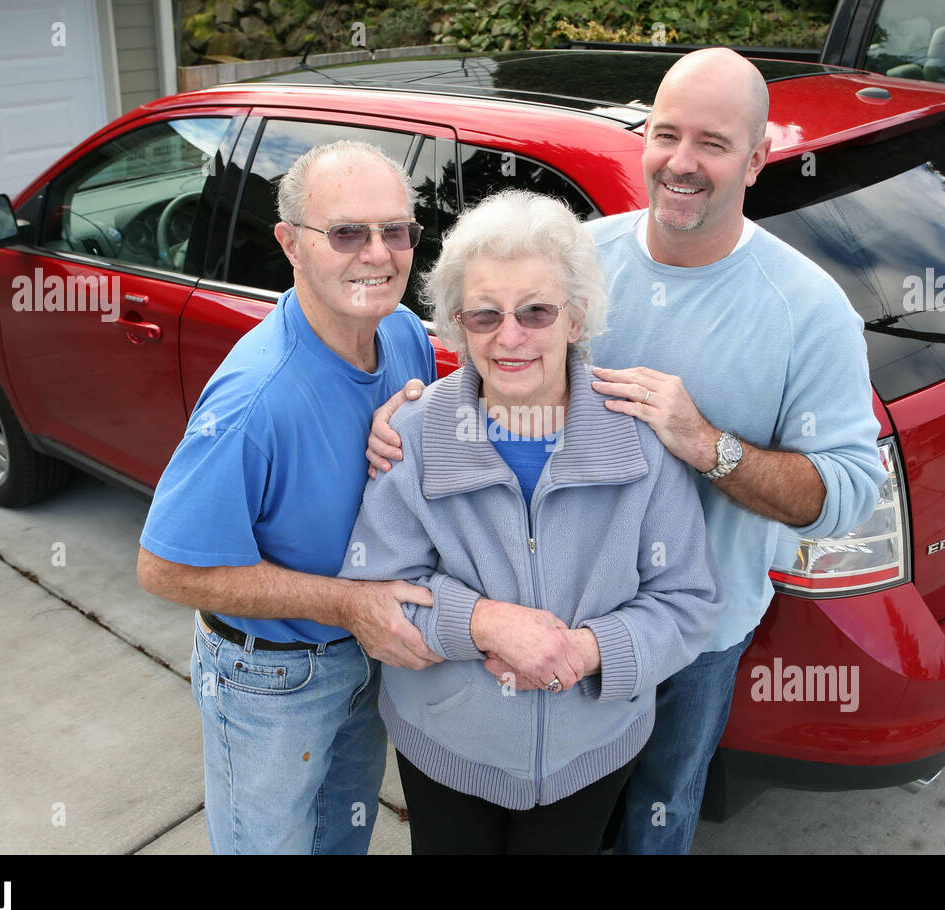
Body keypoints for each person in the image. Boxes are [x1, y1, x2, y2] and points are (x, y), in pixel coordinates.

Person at [367, 48, 886, 854]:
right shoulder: (578, 257)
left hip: (690, 640)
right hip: (509, 652)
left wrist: (706, 446)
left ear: (757, 159)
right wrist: (401, 413)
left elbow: (849, 495)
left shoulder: (809, 309)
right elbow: (489, 350)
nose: (681, 161)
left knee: (652, 823)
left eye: (712, 143)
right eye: (666, 133)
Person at [341, 189, 726, 854]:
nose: (510, 337)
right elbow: (376, 598)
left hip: (592, 753)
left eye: (536, 312)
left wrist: (586, 650)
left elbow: (688, 603)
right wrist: (482, 622)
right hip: (446, 751)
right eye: (484, 316)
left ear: (575, 319)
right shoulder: (415, 436)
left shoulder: (639, 441)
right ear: (459, 325)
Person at [135, 140, 440, 855]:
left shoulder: (398, 331)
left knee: (343, 839)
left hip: (365, 653)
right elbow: (164, 568)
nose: (378, 253)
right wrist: (349, 604)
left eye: (395, 230)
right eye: (346, 233)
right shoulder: (255, 399)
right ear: (290, 245)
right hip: (272, 675)